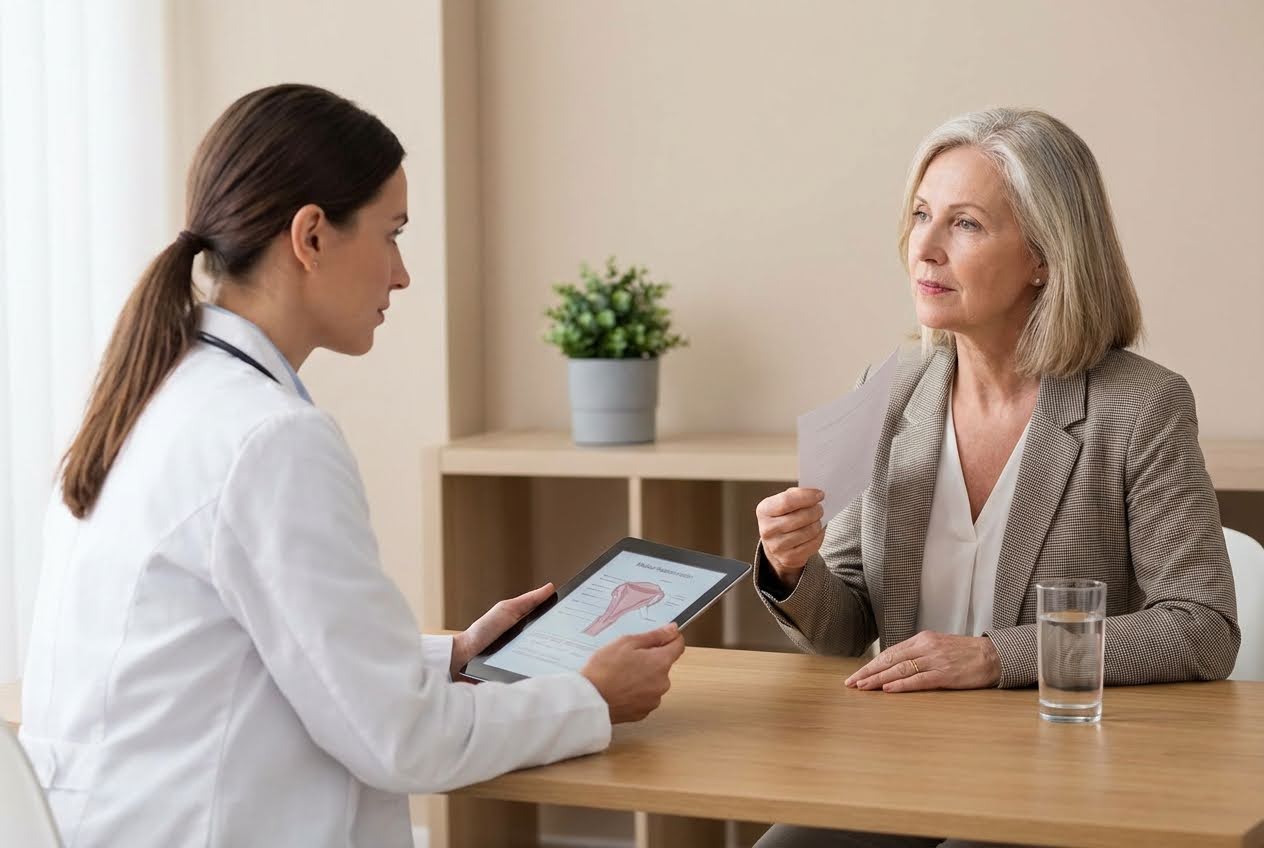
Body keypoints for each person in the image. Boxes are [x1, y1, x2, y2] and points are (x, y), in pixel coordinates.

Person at [19, 83, 685, 848]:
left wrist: (453, 656)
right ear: (311, 237)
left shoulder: (153, 397)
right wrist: (591, 697)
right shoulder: (269, 439)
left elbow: (242, 655)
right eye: (392, 233)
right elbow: (400, 741)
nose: (401, 275)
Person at [751, 107, 1238, 848]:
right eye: (921, 215)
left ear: (1044, 254)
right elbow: (845, 629)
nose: (926, 247)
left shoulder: (1140, 405)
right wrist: (792, 569)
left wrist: (992, 656)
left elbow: (1201, 629)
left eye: (966, 224)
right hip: (906, 764)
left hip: (1065, 771)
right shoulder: (889, 392)